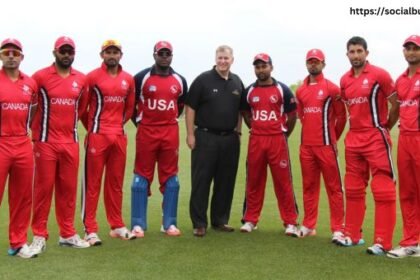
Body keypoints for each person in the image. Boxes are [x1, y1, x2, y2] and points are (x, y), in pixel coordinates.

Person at [336, 36, 399, 256]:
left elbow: (395, 104)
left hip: (375, 137)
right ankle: (352, 235)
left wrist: (385, 127)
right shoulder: (344, 80)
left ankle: (383, 242)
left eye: (359, 51)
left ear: (366, 53)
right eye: (352, 52)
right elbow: (348, 109)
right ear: (347, 55)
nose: (356, 55)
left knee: (383, 190)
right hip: (353, 139)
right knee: (352, 188)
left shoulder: (379, 75)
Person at [29, 36, 90, 254]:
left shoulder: (81, 80)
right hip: (45, 142)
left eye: (70, 51)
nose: (66, 55)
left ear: (74, 54)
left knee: (68, 190)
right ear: (54, 52)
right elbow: (31, 104)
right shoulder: (40, 77)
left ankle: (67, 234)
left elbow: (81, 108)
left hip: (70, 142)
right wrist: (36, 131)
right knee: (43, 190)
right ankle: (39, 235)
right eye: (62, 51)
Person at [80, 39, 136, 246]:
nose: (112, 55)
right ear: (102, 55)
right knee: (92, 184)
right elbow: (83, 109)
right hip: (97, 136)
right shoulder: (92, 77)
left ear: (121, 55)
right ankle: (90, 229)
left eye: (115, 52)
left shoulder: (128, 79)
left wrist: (116, 127)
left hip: (119, 137)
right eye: (108, 52)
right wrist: (95, 128)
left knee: (115, 183)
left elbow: (130, 108)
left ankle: (117, 225)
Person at [185, 45, 244, 237]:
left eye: (226, 58)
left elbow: (240, 111)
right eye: (220, 58)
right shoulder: (203, 80)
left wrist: (239, 132)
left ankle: (220, 220)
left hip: (229, 139)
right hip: (205, 137)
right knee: (201, 181)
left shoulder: (237, 82)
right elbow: (190, 108)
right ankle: (199, 223)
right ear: (215, 59)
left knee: (225, 182)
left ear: (232, 60)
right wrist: (190, 134)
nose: (223, 61)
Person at [131, 41, 187, 237]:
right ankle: (138, 224)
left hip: (170, 133)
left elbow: (179, 106)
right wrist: (142, 123)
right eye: (160, 53)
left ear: (171, 56)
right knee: (141, 179)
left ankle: (169, 223)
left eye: (167, 53)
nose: (164, 56)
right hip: (147, 132)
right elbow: (132, 105)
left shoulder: (180, 80)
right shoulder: (141, 77)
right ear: (154, 55)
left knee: (171, 179)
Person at [239, 53, 299, 235]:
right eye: (257, 67)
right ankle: (250, 220)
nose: (261, 70)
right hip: (256, 139)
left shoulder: (283, 90)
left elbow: (292, 116)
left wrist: (284, 133)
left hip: (277, 140)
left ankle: (290, 222)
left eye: (264, 66)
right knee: (254, 180)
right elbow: (245, 113)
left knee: (283, 182)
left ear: (271, 67)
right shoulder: (249, 91)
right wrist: (256, 127)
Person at [295, 49, 346, 241]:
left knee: (334, 188)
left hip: (326, 146)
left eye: (316, 61)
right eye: (310, 61)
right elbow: (302, 115)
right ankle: (309, 225)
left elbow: (342, 116)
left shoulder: (332, 88)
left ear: (323, 64)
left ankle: (338, 228)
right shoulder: (300, 90)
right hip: (306, 147)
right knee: (309, 186)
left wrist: (333, 138)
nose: (313, 64)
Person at [0, 38, 38, 258]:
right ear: (2, 56)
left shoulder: (30, 83)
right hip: (1, 142)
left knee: (22, 196)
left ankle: (18, 242)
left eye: (15, 53)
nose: (11, 56)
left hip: (23, 144)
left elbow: (31, 112)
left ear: (22, 57)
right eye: (7, 53)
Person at [387, 35, 420, 258]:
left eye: (415, 48)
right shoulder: (399, 80)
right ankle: (411, 243)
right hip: (405, 139)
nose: (411, 52)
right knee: (407, 192)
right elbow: (396, 109)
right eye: (407, 48)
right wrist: (384, 127)